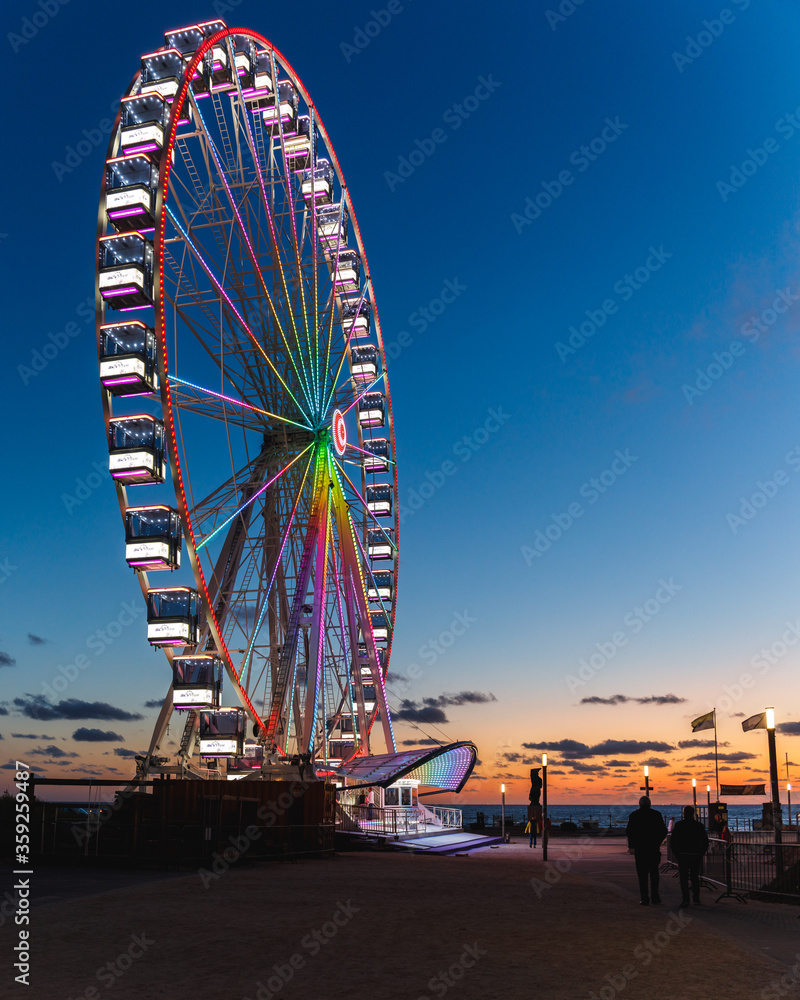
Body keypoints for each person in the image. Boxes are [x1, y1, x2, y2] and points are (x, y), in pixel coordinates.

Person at [626, 796, 668, 905]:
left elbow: (630, 832)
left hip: (640, 849)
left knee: (642, 875)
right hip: (653, 848)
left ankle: (644, 898)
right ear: (650, 804)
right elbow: (663, 831)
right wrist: (657, 841)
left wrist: (631, 846)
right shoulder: (656, 815)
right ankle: (655, 896)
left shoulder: (634, 816)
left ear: (639, 804)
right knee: (654, 873)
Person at [670, 804, 709, 908]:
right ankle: (696, 898)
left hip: (682, 855)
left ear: (684, 814)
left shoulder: (679, 825)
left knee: (683, 878)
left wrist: (676, 853)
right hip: (695, 855)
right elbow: (705, 841)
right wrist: (701, 852)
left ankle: (685, 899)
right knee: (694, 877)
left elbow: (673, 841)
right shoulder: (699, 826)